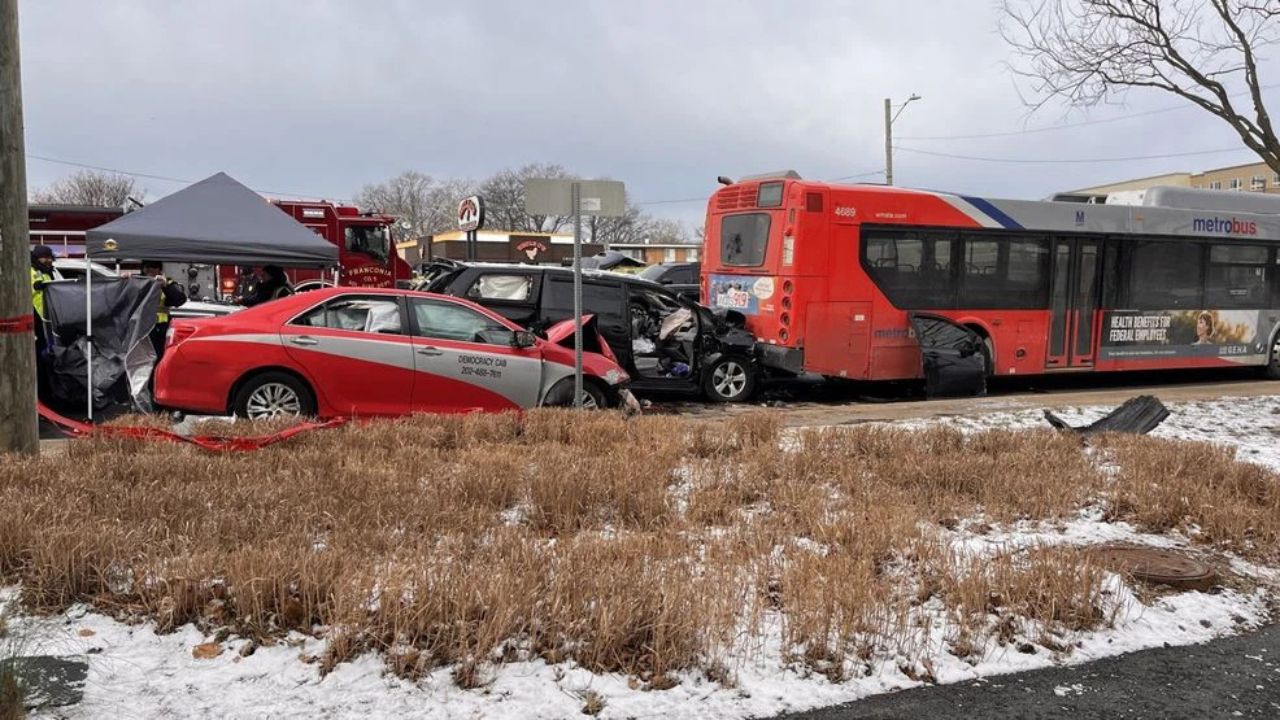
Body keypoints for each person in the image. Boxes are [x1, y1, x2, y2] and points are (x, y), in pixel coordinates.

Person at [139, 261, 188, 358]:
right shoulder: (137, 282)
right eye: (146, 267)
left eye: (153, 267)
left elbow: (180, 300)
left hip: (160, 327)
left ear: (159, 269)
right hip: (140, 327)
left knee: (159, 356)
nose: (149, 269)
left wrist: (165, 286)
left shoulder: (168, 283)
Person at [30, 245, 57, 400]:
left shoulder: (48, 271)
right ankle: (42, 393)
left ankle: (48, 390)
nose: (47, 259)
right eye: (44, 257)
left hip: (48, 318)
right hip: (36, 318)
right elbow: (30, 289)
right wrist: (38, 287)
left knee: (48, 355)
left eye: (49, 256)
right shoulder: (31, 270)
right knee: (40, 356)